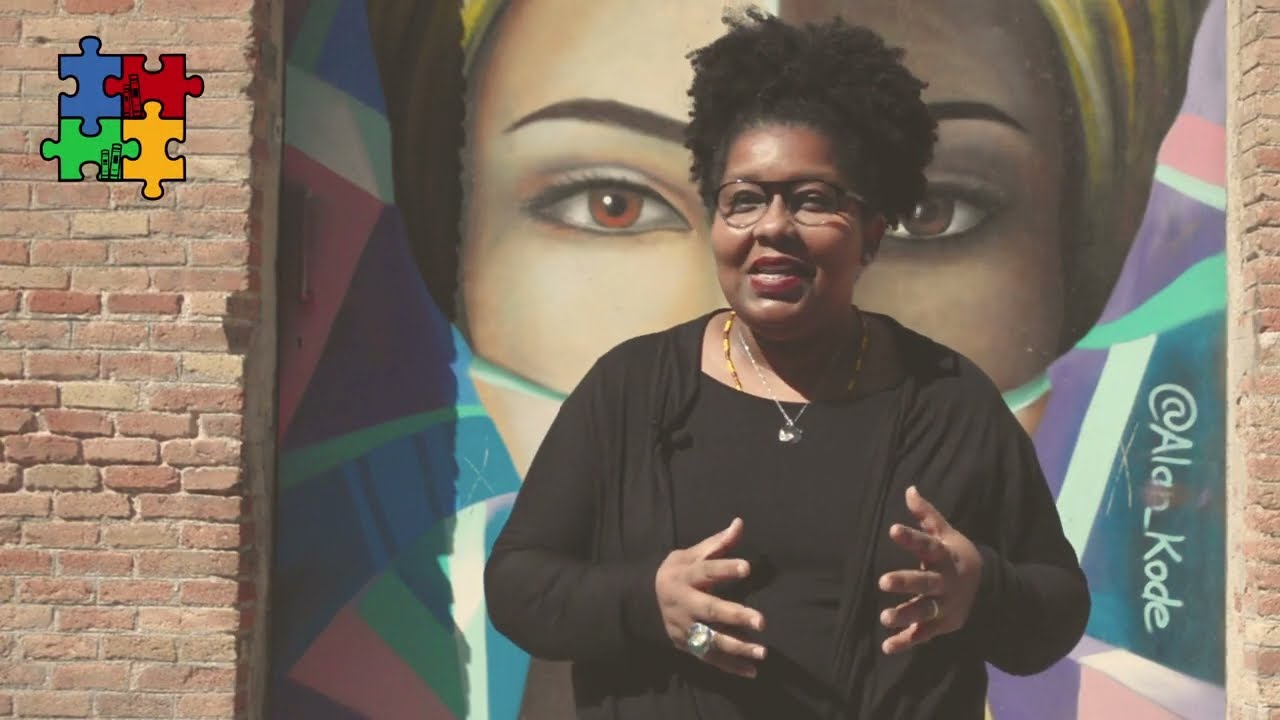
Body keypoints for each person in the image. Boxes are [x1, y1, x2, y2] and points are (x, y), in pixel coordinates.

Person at [482, 9, 1091, 719]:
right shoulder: (631, 392)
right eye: (743, 200)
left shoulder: (949, 402)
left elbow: (1057, 608)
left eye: (812, 201)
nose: (772, 227)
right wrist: (647, 601)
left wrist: (979, 590)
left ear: (870, 234)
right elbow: (518, 586)